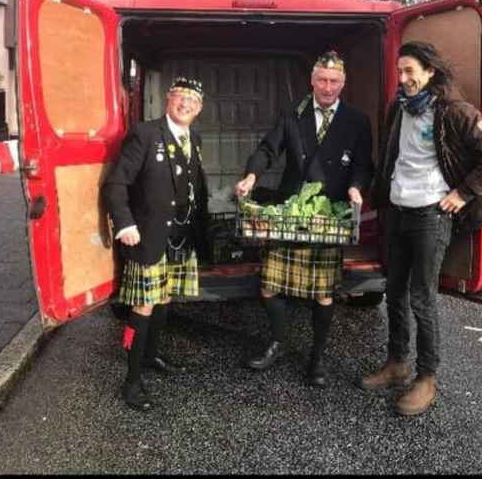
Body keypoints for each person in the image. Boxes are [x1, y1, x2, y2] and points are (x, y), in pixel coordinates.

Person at [360, 41, 482, 416]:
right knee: (393, 291)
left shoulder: (453, 110)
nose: (403, 78)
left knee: (421, 296)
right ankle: (398, 363)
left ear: (429, 72)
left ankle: (426, 377)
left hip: (430, 216)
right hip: (397, 211)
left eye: (410, 71)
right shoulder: (398, 107)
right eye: (400, 71)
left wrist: (463, 193)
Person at [235, 50, 374, 387]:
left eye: (334, 81)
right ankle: (279, 341)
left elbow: (363, 164)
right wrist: (252, 176)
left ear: (343, 84)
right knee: (269, 287)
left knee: (323, 294)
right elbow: (268, 150)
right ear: (311, 81)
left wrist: (356, 189)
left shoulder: (356, 120)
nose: (328, 87)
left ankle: (318, 356)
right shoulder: (292, 114)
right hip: (292, 211)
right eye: (322, 80)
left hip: (328, 216)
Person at [102, 77, 210, 412]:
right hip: (148, 236)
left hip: (179, 237)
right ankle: (131, 381)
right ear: (168, 99)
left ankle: (151, 357)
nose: (186, 105)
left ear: (200, 108)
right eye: (181, 98)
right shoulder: (145, 134)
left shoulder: (194, 136)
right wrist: (125, 223)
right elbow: (116, 183)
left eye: (193, 101)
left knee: (164, 301)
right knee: (142, 308)